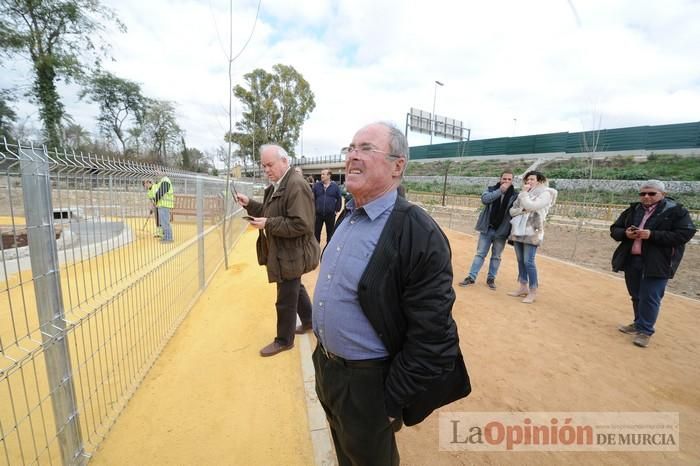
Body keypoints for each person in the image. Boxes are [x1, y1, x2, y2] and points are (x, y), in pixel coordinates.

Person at [312, 122, 470, 465]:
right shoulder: (347, 216)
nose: (353, 155)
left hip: (368, 384)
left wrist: (388, 403)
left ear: (398, 165)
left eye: (366, 148)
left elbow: (434, 340)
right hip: (328, 370)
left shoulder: (417, 232)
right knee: (344, 451)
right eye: (350, 147)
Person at [235, 144, 320, 357]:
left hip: (292, 253)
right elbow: (269, 211)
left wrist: (269, 225)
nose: (266, 170)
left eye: (269, 164)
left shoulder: (296, 185)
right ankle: (309, 321)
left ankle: (284, 340)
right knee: (295, 288)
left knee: (285, 299)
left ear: (284, 161)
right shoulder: (279, 184)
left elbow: (302, 224)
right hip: (285, 252)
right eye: (264, 166)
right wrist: (250, 204)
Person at [610, 180, 696, 348]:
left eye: (651, 193)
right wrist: (626, 233)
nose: (646, 197)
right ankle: (638, 323)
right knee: (636, 295)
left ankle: (645, 330)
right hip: (632, 260)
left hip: (658, 262)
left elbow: (685, 234)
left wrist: (652, 235)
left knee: (650, 297)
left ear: (662, 194)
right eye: (643, 193)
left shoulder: (676, 211)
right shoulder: (633, 210)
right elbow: (615, 229)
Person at [458, 170, 518, 290]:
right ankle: (471, 277)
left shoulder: (515, 195)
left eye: (509, 179)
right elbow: (485, 199)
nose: (506, 181)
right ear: (500, 179)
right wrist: (500, 191)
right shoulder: (491, 189)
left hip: (501, 230)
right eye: (504, 179)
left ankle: (491, 278)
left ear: (512, 181)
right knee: (480, 254)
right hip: (487, 228)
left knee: (496, 256)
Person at [507, 170, 557, 304]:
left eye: (532, 180)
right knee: (520, 260)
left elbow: (533, 206)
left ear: (539, 180)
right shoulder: (524, 194)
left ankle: (533, 290)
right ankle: (523, 287)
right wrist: (523, 209)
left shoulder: (546, 193)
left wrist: (524, 199)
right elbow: (512, 211)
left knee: (528, 261)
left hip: (533, 230)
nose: (529, 182)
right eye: (527, 180)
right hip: (518, 229)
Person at [312, 168, 342, 243]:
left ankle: (327, 251)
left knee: (330, 233)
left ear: (329, 176)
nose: (321, 176)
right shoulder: (316, 186)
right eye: (321, 174)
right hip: (318, 215)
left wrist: (337, 210)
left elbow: (339, 198)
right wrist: (313, 210)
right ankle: (316, 251)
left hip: (330, 215)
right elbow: (312, 199)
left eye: (323, 174)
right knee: (316, 233)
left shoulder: (335, 187)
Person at [154, 171, 174, 243]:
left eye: (158, 172)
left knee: (165, 222)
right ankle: (166, 237)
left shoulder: (165, 180)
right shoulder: (162, 181)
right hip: (162, 204)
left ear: (163, 172)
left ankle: (169, 238)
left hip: (165, 205)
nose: (156, 173)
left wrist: (155, 199)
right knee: (163, 222)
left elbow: (160, 192)